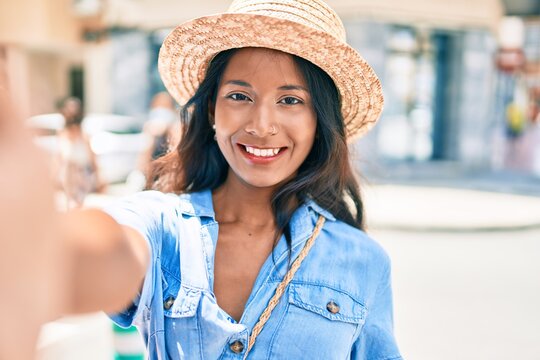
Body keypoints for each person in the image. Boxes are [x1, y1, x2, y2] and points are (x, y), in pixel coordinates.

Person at [0, 0, 402, 359]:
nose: (262, 126)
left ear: (320, 120)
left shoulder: (362, 261)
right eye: (239, 96)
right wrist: (36, 244)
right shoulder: (162, 225)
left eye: (291, 100)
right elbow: (106, 252)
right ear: (212, 109)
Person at [56, 96, 104, 208]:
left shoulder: (84, 135)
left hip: (82, 173)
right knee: (69, 202)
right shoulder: (62, 133)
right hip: (68, 171)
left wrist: (99, 175)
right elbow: (59, 155)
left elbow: (92, 157)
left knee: (79, 203)